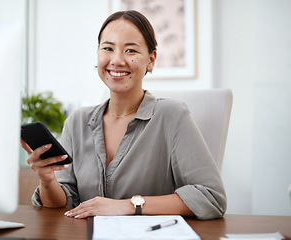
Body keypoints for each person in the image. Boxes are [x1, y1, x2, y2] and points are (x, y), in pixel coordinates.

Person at [21, 10, 226, 220]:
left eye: (130, 50)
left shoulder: (172, 115)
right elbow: (63, 204)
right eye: (108, 48)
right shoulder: (77, 122)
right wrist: (47, 180)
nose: (117, 60)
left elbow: (210, 197)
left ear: (151, 60)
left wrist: (128, 205)